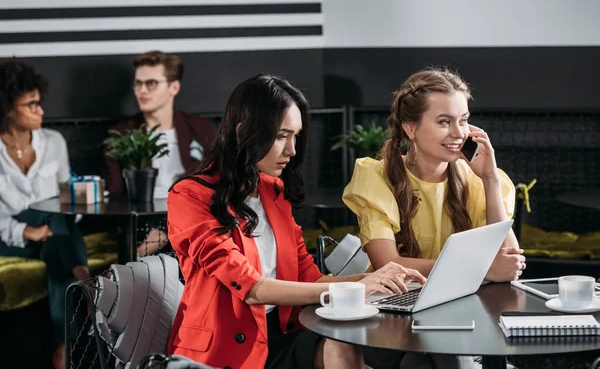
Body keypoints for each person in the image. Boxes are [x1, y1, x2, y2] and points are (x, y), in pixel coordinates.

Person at [167, 74, 426, 369]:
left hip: (284, 335)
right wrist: (357, 288)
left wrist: (376, 280)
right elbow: (252, 289)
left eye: (296, 136)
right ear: (243, 132)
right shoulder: (189, 195)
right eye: (281, 135)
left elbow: (311, 279)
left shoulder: (273, 192)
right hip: (225, 351)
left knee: (352, 343)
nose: (291, 150)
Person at [342, 68, 526, 369]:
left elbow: (507, 262)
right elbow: (388, 262)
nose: (459, 133)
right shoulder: (375, 177)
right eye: (444, 122)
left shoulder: (479, 179)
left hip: (459, 313)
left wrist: (491, 179)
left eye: (464, 120)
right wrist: (481, 270)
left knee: (421, 362)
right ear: (411, 127)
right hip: (393, 317)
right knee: (436, 350)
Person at [0, 58, 89, 369]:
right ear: (8, 109)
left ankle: (64, 348)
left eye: (40, 102)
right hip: (9, 236)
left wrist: (54, 222)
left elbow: (67, 201)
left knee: (56, 228)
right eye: (31, 104)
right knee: (54, 226)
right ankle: (85, 279)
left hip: (54, 230)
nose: (41, 110)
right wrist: (26, 232)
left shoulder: (54, 142)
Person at [104, 50, 217, 256]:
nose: (142, 91)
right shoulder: (122, 134)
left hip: (190, 215)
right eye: (138, 83)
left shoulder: (200, 129)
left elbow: (216, 181)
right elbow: (115, 194)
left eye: (151, 83)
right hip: (141, 218)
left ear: (174, 87)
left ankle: (160, 240)